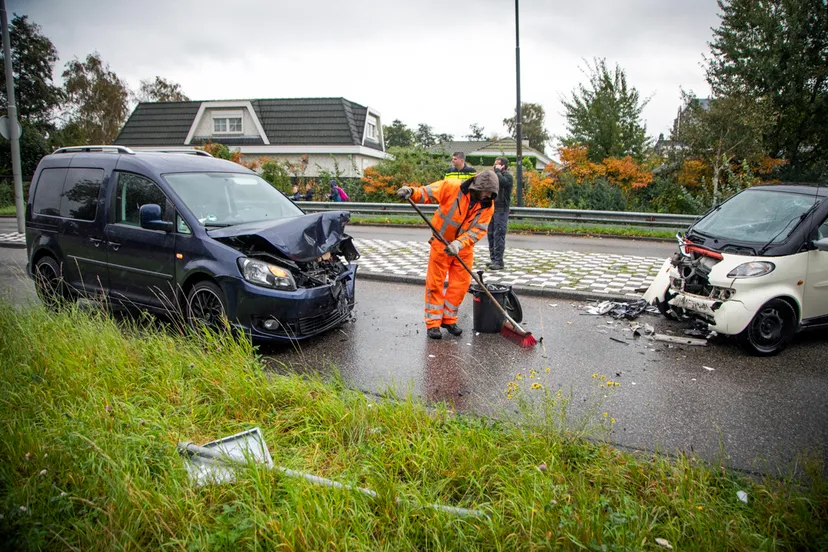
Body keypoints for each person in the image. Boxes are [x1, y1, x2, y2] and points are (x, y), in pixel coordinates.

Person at [396, 171, 499, 340]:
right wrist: (411, 192)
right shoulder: (451, 187)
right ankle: (433, 324)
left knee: (460, 285)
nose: (487, 195)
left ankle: (449, 319)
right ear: (476, 187)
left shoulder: (488, 205)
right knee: (435, 283)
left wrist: (459, 244)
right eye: (485, 191)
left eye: (491, 193)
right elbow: (427, 193)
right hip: (441, 243)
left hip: (463, 248)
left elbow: (478, 230)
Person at [487, 157, 513, 270]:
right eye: (494, 164)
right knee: (491, 234)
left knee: (499, 235)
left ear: (503, 166)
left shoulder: (508, 177)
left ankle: (499, 261)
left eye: (497, 164)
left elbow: (501, 182)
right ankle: (493, 259)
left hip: (502, 210)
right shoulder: (494, 176)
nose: (495, 166)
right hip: (492, 209)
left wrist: (498, 171)